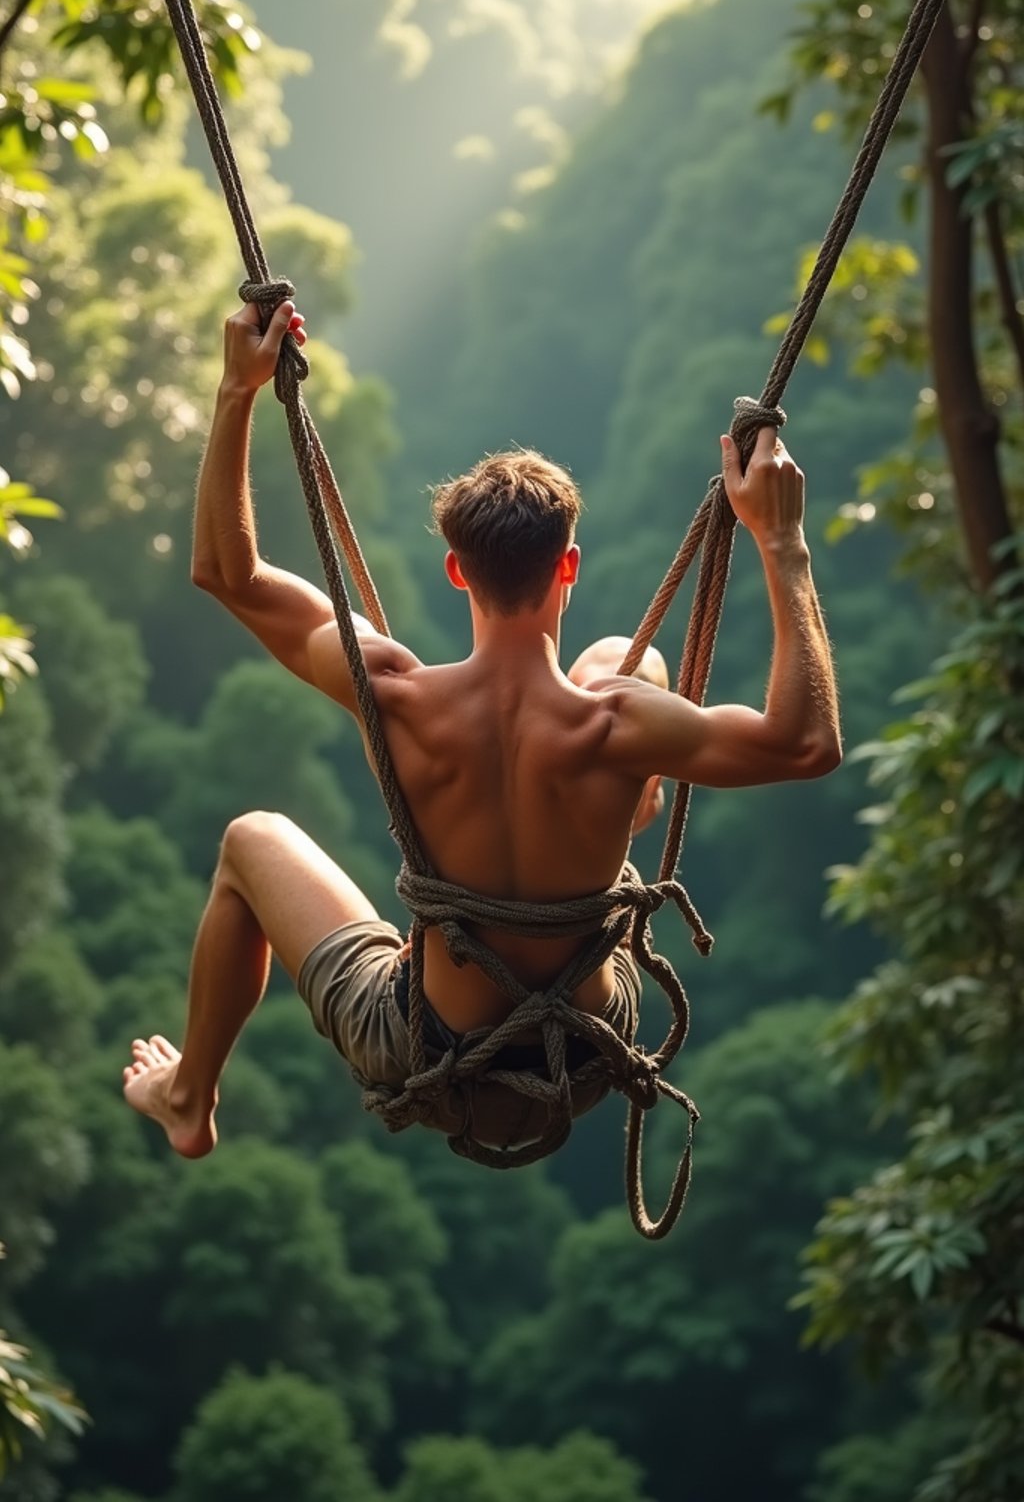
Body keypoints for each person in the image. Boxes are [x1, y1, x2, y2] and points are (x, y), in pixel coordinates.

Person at [123, 298, 841, 1158]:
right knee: (619, 662)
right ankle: (621, 811)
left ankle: (189, 1096)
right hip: (580, 1046)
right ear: (567, 565)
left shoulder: (389, 688)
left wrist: (236, 391)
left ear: (456, 570)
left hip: (428, 1049)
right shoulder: (618, 724)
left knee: (252, 838)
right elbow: (807, 744)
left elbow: (227, 573)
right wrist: (782, 541)